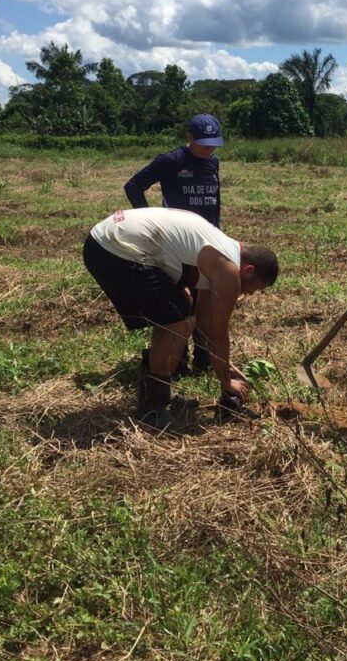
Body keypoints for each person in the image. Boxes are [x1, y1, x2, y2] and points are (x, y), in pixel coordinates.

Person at [83, 207, 278, 429]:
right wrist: (226, 381)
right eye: (253, 288)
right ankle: (152, 409)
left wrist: (226, 364)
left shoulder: (218, 251)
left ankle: (159, 394)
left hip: (106, 241)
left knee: (178, 312)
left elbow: (204, 322)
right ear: (249, 270)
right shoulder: (228, 268)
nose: (247, 294)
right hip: (115, 250)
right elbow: (218, 330)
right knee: (178, 321)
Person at [124, 113, 224, 373]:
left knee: (206, 301)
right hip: (177, 243)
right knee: (180, 300)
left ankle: (203, 359)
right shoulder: (172, 160)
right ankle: (175, 360)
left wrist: (218, 233)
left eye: (213, 142)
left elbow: (214, 201)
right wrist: (151, 220)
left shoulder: (213, 162)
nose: (208, 148)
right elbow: (133, 186)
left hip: (207, 242)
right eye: (203, 142)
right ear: (189, 137)